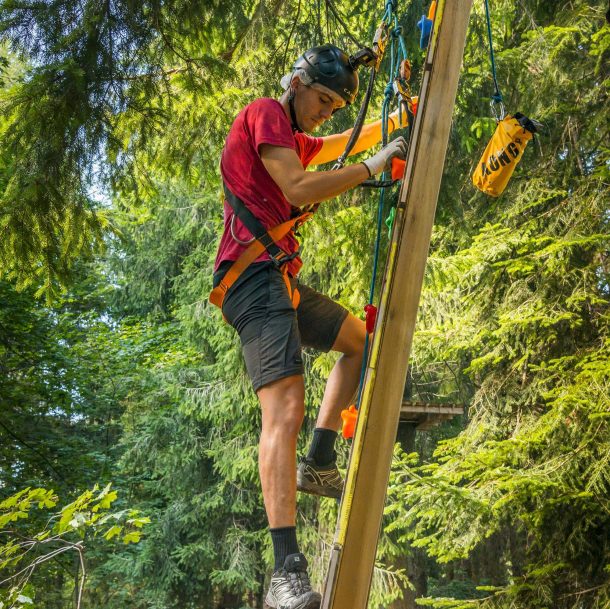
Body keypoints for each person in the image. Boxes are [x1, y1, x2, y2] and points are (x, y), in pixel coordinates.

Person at [211, 44, 407, 609]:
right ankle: (286, 573)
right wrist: (372, 170)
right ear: (296, 84)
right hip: (252, 279)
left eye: (333, 105)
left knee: (356, 342)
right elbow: (297, 187)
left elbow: (353, 141)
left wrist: (397, 122)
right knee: (284, 408)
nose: (327, 112)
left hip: (279, 280)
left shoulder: (295, 136)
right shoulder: (266, 112)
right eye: (322, 99)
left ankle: (319, 462)